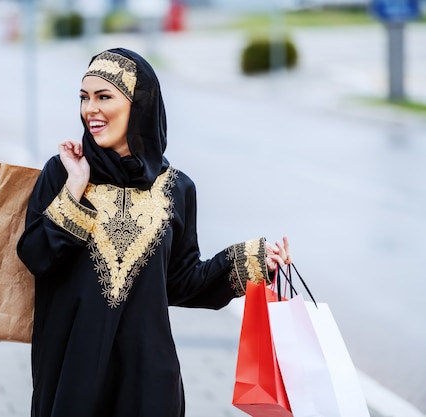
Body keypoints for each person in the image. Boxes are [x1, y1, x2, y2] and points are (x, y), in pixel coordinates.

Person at [17, 48, 292, 417]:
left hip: (148, 380)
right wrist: (75, 187)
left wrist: (255, 262)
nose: (89, 110)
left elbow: (180, 281)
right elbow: (35, 256)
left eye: (104, 97)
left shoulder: (177, 188)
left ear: (139, 105)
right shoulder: (63, 173)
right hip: (73, 376)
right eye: (84, 98)